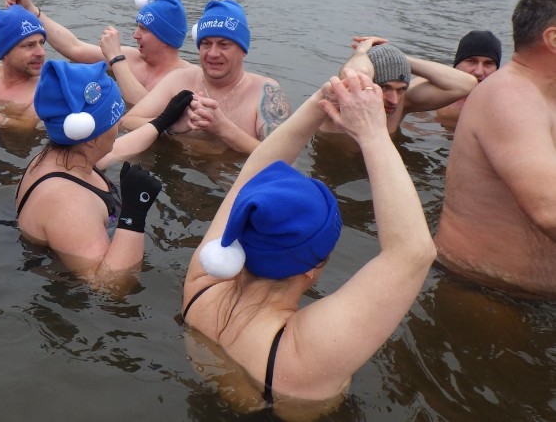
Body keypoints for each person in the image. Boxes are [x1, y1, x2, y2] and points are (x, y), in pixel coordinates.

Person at [182, 69, 435, 414]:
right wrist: (373, 134)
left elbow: (256, 171)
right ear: (316, 266)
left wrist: (320, 103)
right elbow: (413, 252)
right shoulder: (305, 353)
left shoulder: (202, 283)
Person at [15, 59, 192, 289]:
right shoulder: (68, 202)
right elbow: (110, 285)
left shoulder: (63, 156)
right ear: (91, 135)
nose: (120, 122)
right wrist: (133, 216)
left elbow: (118, 148)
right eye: (115, 118)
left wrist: (163, 122)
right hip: (70, 298)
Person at [436, 0, 556, 299]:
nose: (479, 69)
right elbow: (549, 209)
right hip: (485, 293)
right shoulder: (510, 95)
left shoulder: (543, 95)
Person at [121, 0, 291, 154]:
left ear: (243, 50)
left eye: (224, 45)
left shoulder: (266, 92)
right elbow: (127, 122)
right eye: (206, 44)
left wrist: (223, 129)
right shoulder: (179, 79)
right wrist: (170, 124)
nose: (213, 53)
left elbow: (283, 158)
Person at [7, 0, 196, 104]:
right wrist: (30, 9)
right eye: (137, 27)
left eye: (144, 30)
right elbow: (75, 48)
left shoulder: (189, 77)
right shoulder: (132, 57)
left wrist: (116, 58)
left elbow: (148, 110)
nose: (135, 35)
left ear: (165, 38)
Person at [324, 36, 477, 134]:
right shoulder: (338, 101)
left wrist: (397, 57)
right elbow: (352, 75)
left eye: (401, 89)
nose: (394, 100)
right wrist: (361, 52)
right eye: (385, 87)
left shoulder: (402, 104)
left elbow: (466, 84)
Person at [435, 30, 501, 124]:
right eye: (472, 61)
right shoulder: (432, 96)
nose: (479, 72)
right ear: (456, 65)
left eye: (488, 63)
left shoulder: (502, 105)